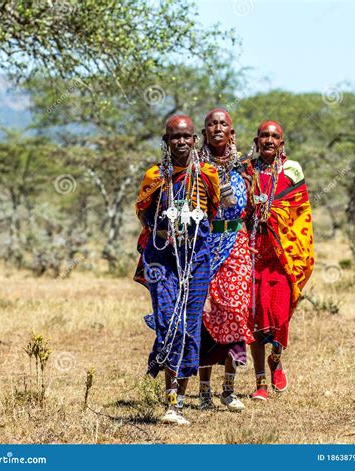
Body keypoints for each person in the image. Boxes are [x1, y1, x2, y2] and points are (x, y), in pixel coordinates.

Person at [134, 114, 220, 424]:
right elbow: (143, 213)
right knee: (171, 323)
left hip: (196, 258)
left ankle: (176, 403)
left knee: (191, 327)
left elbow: (213, 211)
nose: (181, 142)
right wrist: (162, 229)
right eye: (174, 137)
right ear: (166, 142)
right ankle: (170, 394)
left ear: (195, 140)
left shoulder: (208, 175)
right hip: (161, 258)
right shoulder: (155, 176)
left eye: (186, 136)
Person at [245, 120, 314, 401]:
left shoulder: (292, 169)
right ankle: (260, 381)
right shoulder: (245, 169)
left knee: (280, 314)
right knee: (255, 315)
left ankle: (276, 357)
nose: (269, 140)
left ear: (282, 143)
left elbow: (301, 212)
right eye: (265, 136)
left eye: (275, 136)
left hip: (283, 252)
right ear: (257, 140)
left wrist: (280, 225)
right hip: (253, 250)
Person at [198, 108, 254, 411]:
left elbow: (253, 211)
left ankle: (228, 390)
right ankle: (204, 389)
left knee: (235, 311)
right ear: (205, 131)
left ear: (231, 132)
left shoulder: (244, 169)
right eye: (211, 124)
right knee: (204, 314)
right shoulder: (196, 167)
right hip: (206, 244)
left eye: (223, 124)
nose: (217, 127)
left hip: (237, 245)